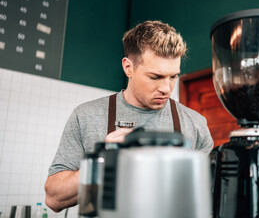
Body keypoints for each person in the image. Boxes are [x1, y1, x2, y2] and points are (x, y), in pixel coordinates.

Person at [44, 20, 214, 212]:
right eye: (155, 77)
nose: (166, 89)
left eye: (173, 76)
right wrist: (104, 162)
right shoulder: (85, 116)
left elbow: (208, 199)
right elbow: (53, 198)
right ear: (128, 68)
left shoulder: (196, 124)